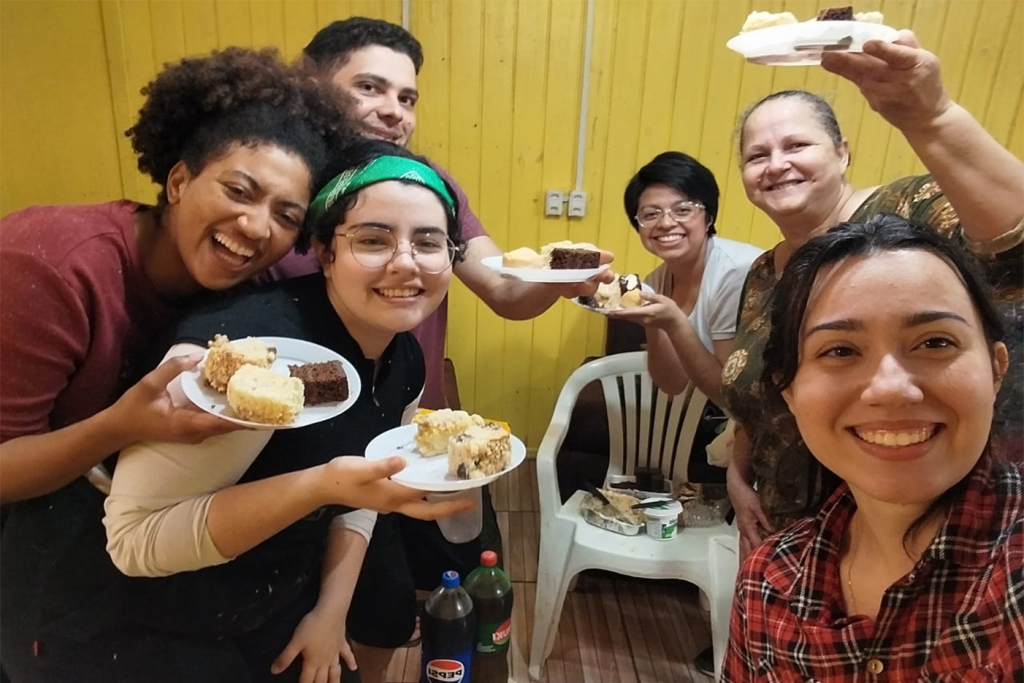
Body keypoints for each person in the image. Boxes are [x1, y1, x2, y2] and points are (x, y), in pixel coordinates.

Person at [0, 53, 452, 683]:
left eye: (286, 215)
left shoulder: (373, 341)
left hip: (233, 577)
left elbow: (357, 478)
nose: (255, 226)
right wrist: (117, 425)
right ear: (179, 179)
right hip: (85, 560)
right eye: (239, 191)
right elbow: (128, 535)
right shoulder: (51, 268)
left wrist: (331, 608)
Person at [721, 31, 1024, 559]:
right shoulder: (765, 272)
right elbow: (760, 390)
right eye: (757, 155)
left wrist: (934, 118)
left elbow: (1015, 243)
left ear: (842, 152)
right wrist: (737, 478)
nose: (775, 164)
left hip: (934, 539)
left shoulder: (905, 210)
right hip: (785, 535)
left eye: (796, 145)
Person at [722, 215, 1022, 681]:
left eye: (935, 342)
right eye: (840, 350)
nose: (890, 389)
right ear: (789, 392)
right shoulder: (769, 582)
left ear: (996, 368)